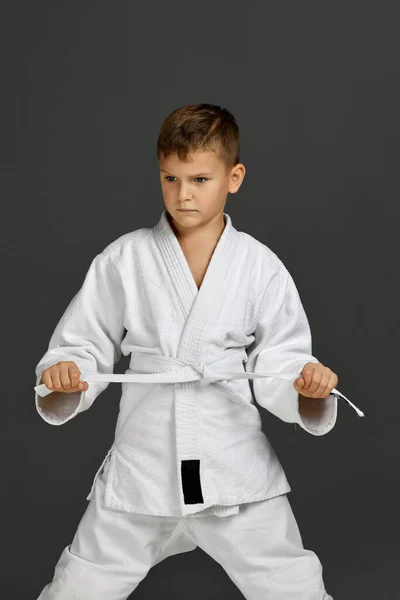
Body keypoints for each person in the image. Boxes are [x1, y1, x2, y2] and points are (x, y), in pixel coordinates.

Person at [34, 103, 363, 599]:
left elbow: (282, 357)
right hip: (145, 466)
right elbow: (84, 341)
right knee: (79, 586)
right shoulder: (126, 258)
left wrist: (307, 385)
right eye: (170, 177)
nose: (183, 194)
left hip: (232, 465)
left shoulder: (258, 266)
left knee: (290, 586)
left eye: (200, 179)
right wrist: (68, 371)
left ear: (234, 177)